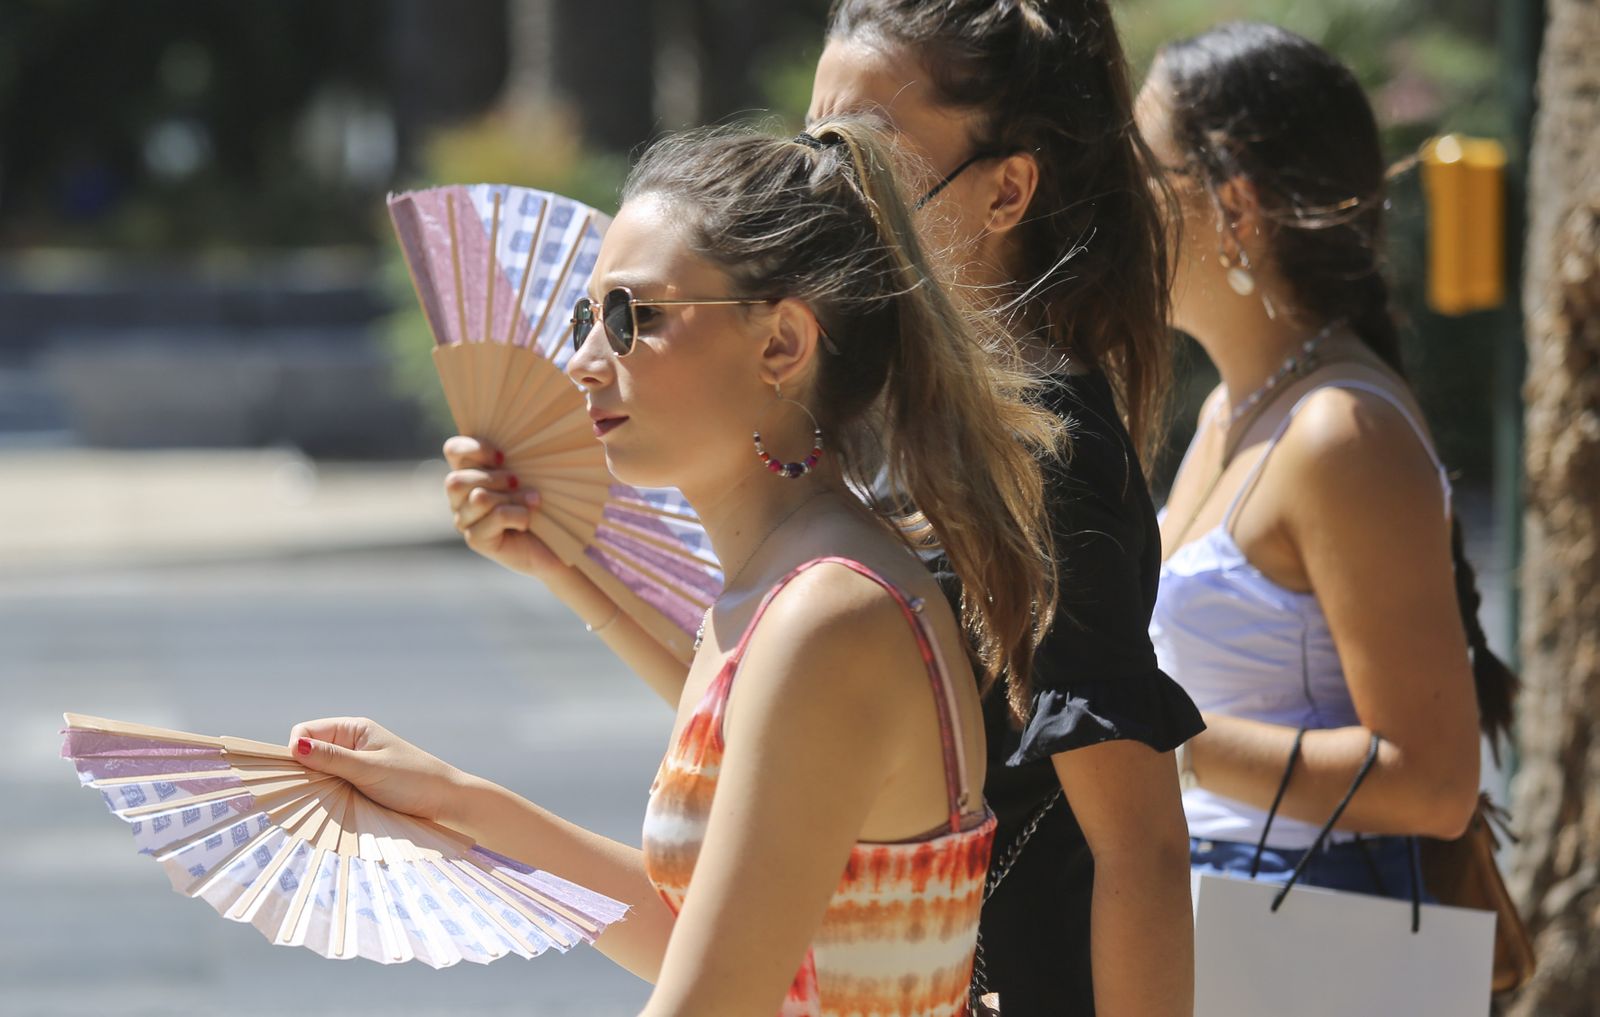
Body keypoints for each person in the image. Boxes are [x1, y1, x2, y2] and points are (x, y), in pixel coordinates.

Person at [447, 3, 1202, 1014]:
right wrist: (563, 565)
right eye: (818, 142)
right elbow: (779, 732)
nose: (829, 184)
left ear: (1008, 189)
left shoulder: (1041, 448)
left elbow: (1140, 847)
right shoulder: (898, 421)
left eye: (865, 153)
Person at [292, 116, 1061, 1016]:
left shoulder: (827, 614)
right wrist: (454, 801)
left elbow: (711, 996)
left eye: (630, 317)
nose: (582, 362)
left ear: (782, 343)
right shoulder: (791, 585)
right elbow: (705, 939)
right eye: (587, 316)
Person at [1137, 21, 1517, 897]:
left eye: (1139, 174)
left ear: (1234, 208)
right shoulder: (1235, 409)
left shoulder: (1340, 433)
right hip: (1230, 923)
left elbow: (1434, 784)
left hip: (1308, 942)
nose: (1111, 206)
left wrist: (1154, 742)